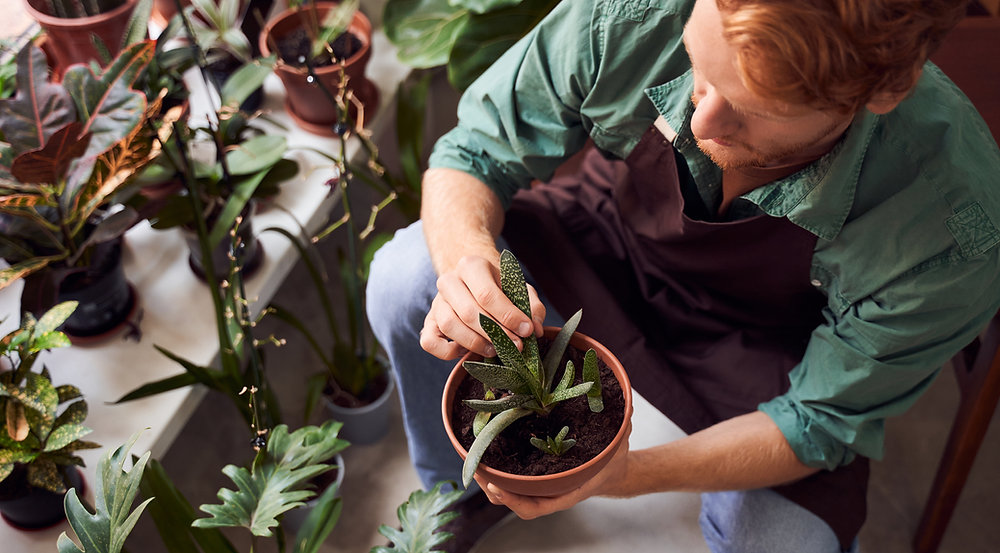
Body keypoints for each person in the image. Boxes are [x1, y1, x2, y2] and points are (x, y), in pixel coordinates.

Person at [367, 0, 1000, 551]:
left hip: (766, 345)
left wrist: (622, 475)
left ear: (885, 90)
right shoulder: (637, 12)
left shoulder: (954, 227)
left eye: (755, 108)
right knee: (406, 277)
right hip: (602, 241)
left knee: (785, 542)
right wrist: (464, 262)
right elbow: (476, 150)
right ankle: (462, 497)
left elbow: (819, 421)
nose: (702, 123)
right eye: (698, 71)